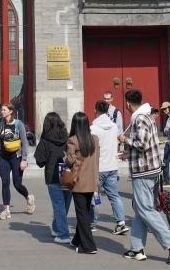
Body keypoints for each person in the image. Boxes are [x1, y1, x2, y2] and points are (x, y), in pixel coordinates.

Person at [118, 89, 170, 265]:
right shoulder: (147, 116)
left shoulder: (139, 118)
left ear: (128, 104)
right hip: (151, 168)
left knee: (146, 210)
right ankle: (136, 248)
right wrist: (128, 153)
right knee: (141, 209)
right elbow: (147, 144)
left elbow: (142, 144)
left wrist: (125, 140)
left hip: (144, 171)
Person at [91, 99, 129, 234]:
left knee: (95, 197)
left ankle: (91, 223)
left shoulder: (93, 129)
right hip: (112, 166)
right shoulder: (113, 127)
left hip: (98, 168)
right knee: (114, 196)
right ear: (108, 111)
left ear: (95, 110)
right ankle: (121, 222)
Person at [65, 111, 100, 254]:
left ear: (75, 124)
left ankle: (88, 246)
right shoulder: (94, 139)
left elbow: (70, 160)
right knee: (85, 211)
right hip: (92, 180)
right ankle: (76, 240)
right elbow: (97, 159)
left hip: (78, 181)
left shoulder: (73, 140)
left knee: (82, 214)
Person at [34, 111, 72, 244]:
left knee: (58, 205)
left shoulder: (45, 139)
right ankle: (57, 228)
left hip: (53, 175)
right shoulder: (67, 137)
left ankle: (63, 234)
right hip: (68, 174)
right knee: (64, 204)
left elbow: (39, 160)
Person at [0, 102, 33, 219]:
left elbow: (25, 142)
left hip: (16, 157)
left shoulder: (18, 124)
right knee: (5, 182)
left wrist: (24, 159)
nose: (2, 112)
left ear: (11, 111)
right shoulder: (1, 124)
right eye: (2, 110)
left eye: (4, 110)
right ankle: (6, 210)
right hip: (3, 157)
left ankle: (28, 197)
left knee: (17, 184)